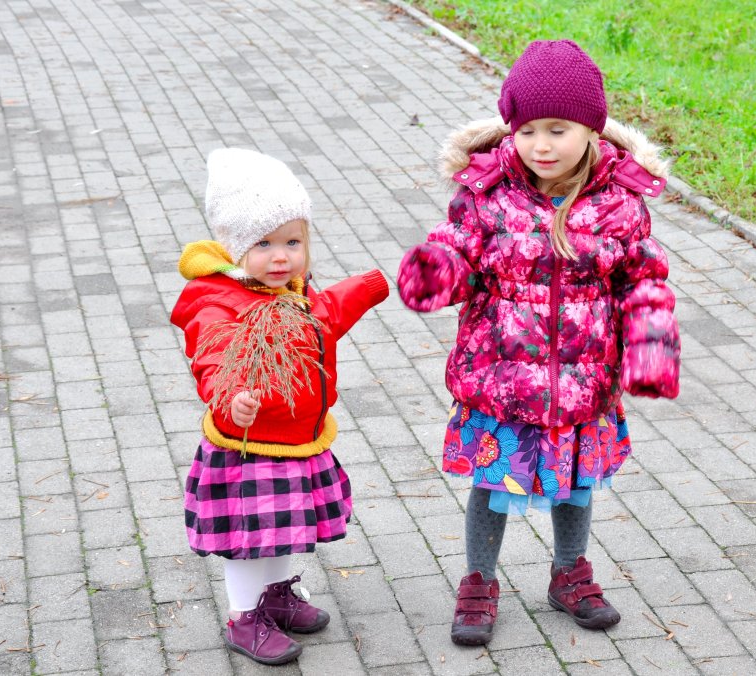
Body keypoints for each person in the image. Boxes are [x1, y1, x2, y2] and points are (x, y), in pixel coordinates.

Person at [397, 39, 680, 646]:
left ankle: (569, 572)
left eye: (558, 129)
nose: (541, 145)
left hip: (583, 382)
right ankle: (478, 579)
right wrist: (436, 269)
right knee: (491, 484)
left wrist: (650, 349)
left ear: (591, 130)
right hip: (501, 379)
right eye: (527, 130)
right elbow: (457, 244)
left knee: (575, 484)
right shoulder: (488, 193)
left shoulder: (619, 201)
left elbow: (643, 274)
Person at [170, 148, 389, 665]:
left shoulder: (295, 293)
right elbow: (212, 358)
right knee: (251, 536)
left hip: (297, 440)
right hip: (248, 445)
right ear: (233, 248)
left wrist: (371, 285)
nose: (281, 256)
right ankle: (245, 615)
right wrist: (231, 398)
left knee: (286, 529)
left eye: (293, 242)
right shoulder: (219, 302)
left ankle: (278, 595)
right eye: (263, 244)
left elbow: (327, 314)